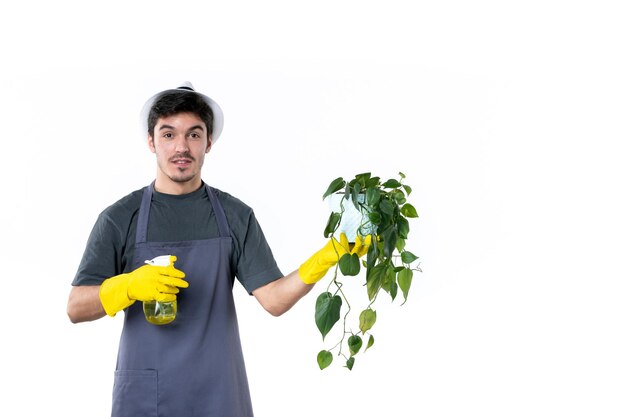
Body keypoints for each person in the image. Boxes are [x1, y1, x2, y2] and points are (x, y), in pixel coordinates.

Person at [66, 82, 371, 417]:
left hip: (219, 392)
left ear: (208, 142)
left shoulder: (234, 216)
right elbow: (76, 307)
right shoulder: (119, 218)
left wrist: (322, 260)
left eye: (193, 135)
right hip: (146, 394)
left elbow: (274, 299)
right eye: (168, 134)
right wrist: (126, 286)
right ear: (151, 141)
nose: (181, 146)